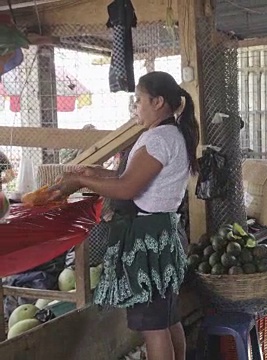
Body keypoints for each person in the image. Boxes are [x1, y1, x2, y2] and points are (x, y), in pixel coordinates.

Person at [51, 71, 199, 360]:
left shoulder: (157, 139)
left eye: (138, 100)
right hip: (163, 234)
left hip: (147, 241)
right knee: (167, 319)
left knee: (153, 327)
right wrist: (94, 173)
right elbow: (131, 177)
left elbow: (127, 187)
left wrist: (81, 183)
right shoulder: (173, 134)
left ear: (157, 102)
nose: (135, 108)